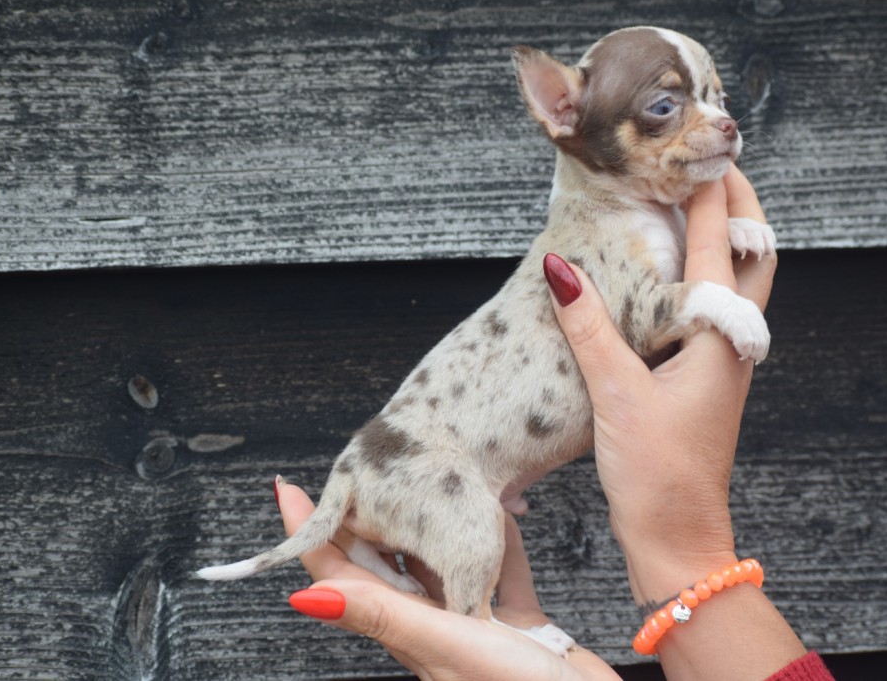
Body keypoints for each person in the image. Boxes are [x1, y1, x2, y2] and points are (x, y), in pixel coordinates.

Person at [275, 164, 835, 681]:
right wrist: (683, 551)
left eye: (719, 101)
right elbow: (644, 314)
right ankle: (448, 595)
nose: (720, 123)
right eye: (664, 108)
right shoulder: (600, 223)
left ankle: (375, 544)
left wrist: (678, 548)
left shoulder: (644, 219)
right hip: (437, 456)